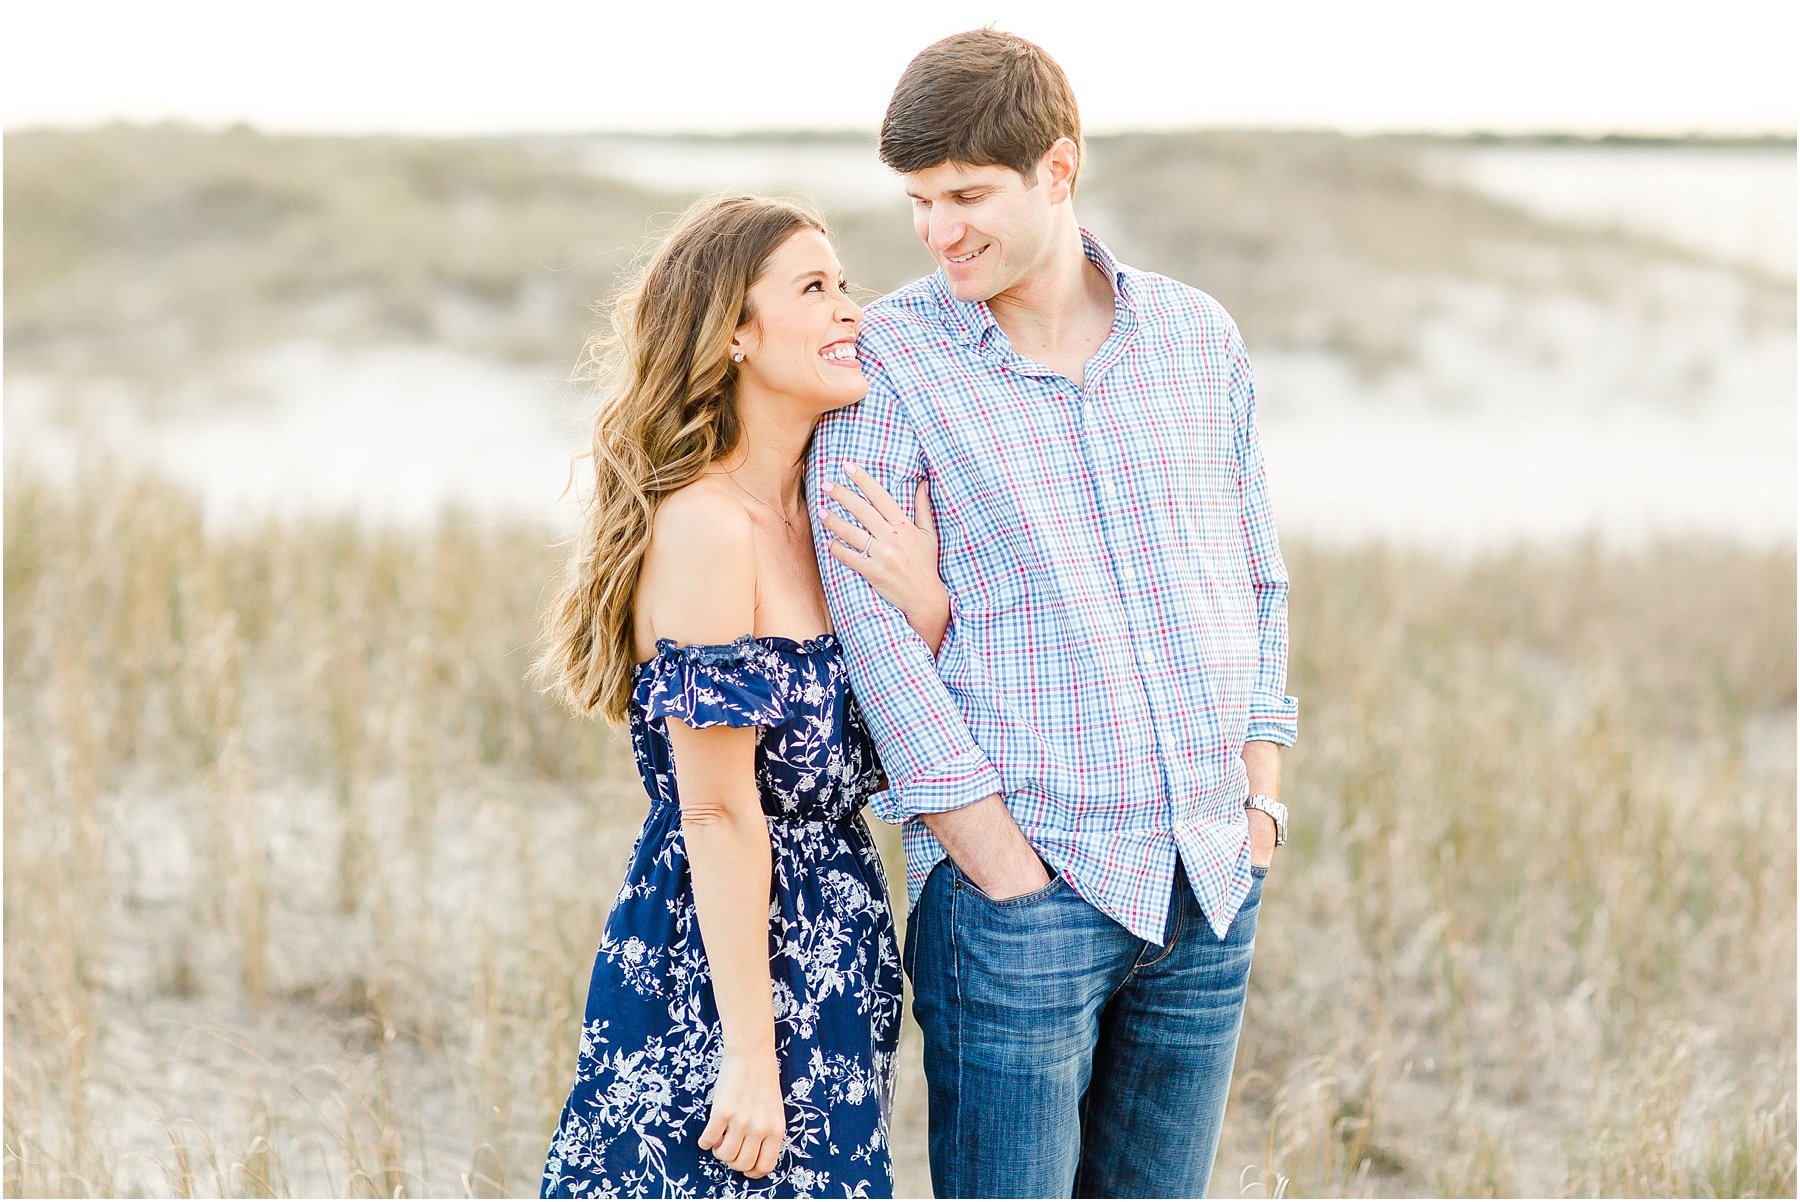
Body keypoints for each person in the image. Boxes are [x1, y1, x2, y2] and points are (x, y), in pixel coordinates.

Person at [810, 29, 1299, 1199]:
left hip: (1209, 874)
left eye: (968, 194)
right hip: (1022, 892)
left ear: (1059, 171)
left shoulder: (1196, 337)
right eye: (920, 200)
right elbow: (873, 630)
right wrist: (994, 859)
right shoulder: (892, 361)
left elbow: (1257, 574)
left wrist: (1262, 795)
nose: (939, 230)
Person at [535, 195, 929, 1199]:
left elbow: (888, 735)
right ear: (737, 335)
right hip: (718, 973)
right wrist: (751, 1055)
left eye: (844, 283)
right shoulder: (707, 526)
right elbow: (715, 808)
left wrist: (922, 603)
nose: (852, 309)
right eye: (813, 288)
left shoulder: (823, 514)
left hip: (837, 953)